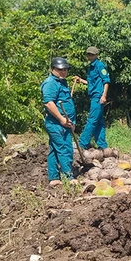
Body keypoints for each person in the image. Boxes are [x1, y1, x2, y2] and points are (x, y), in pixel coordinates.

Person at [41, 57, 77, 186]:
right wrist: (61, 119)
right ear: (53, 69)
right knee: (64, 148)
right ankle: (68, 177)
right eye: (60, 70)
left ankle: (54, 178)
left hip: (66, 123)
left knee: (55, 150)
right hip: (55, 123)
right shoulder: (50, 83)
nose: (63, 72)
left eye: (65, 70)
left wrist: (71, 122)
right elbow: (49, 103)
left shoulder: (62, 82)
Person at [75, 46, 110, 150]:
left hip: (98, 97)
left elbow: (106, 81)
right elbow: (92, 83)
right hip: (93, 96)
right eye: (88, 54)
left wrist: (104, 96)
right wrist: (81, 80)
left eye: (92, 54)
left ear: (96, 55)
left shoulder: (100, 65)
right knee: (99, 122)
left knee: (92, 120)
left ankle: (82, 144)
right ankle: (103, 146)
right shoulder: (91, 67)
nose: (90, 56)